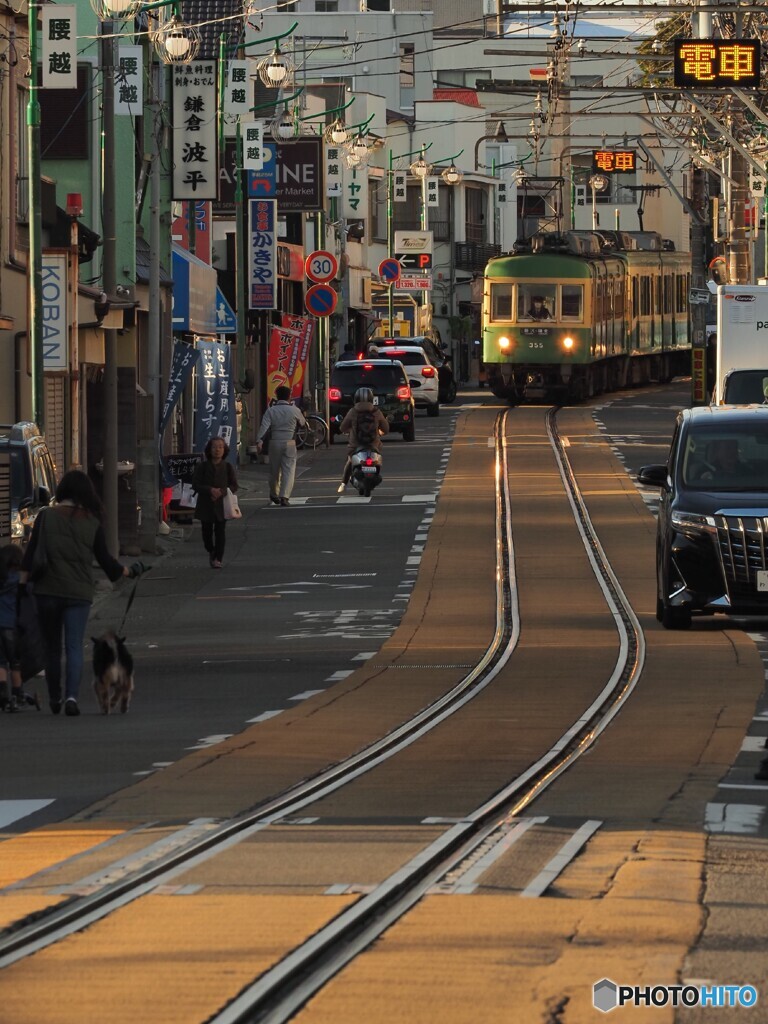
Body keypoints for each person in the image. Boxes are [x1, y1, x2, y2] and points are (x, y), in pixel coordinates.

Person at [19, 470, 143, 716]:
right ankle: (71, 698)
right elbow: (108, 563)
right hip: (79, 593)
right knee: (74, 646)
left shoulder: (45, 517)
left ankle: (55, 697)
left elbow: (31, 556)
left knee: (52, 648)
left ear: (62, 491)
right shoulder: (92, 522)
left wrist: (21, 588)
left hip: (47, 592)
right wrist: (130, 571)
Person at [0, 544, 37, 711]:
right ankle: (17, 693)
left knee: (0, 662)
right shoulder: (21, 581)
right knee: (15, 662)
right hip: (12, 626)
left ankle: (2, 696)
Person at [192, 436, 239, 567]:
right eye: (214, 447)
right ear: (209, 449)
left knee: (220, 532)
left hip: (222, 504)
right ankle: (211, 550)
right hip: (205, 504)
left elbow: (234, 485)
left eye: (220, 447)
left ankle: (218, 558)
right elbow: (196, 484)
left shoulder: (228, 467)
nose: (217, 450)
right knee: (206, 533)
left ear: (224, 450)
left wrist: (222, 491)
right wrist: (210, 490)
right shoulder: (202, 466)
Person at [256, 385, 306, 506]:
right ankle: (284, 496)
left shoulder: (271, 410)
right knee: (288, 469)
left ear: (277, 396)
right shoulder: (294, 410)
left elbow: (264, 427)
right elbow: (303, 423)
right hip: (289, 441)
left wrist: (259, 441)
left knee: (274, 470)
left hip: (275, 441)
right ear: (289, 396)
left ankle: (274, 494)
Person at [337, 387, 389, 493]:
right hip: (374, 446)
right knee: (377, 460)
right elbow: (386, 429)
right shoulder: (376, 412)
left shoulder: (353, 411)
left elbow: (342, 427)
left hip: (355, 446)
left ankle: (343, 484)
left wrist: (349, 430)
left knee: (349, 461)